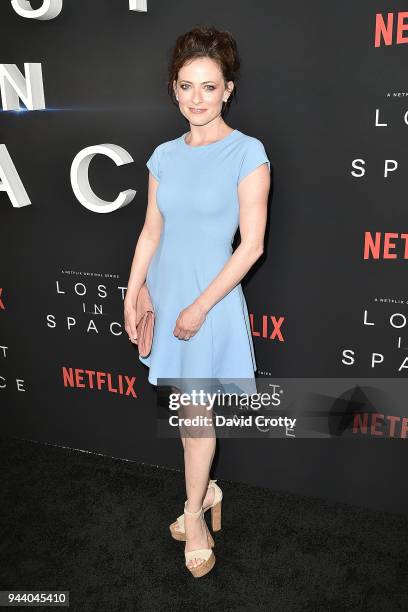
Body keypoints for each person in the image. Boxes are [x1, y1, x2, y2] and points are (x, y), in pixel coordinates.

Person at [124, 25, 270, 577]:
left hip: (210, 302)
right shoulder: (163, 154)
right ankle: (205, 491)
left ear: (228, 89)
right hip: (166, 296)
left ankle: (195, 512)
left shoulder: (247, 152)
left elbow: (251, 245)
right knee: (190, 416)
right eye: (186, 86)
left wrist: (200, 307)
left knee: (196, 415)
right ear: (174, 89)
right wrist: (133, 291)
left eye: (209, 87)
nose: (197, 98)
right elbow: (150, 234)